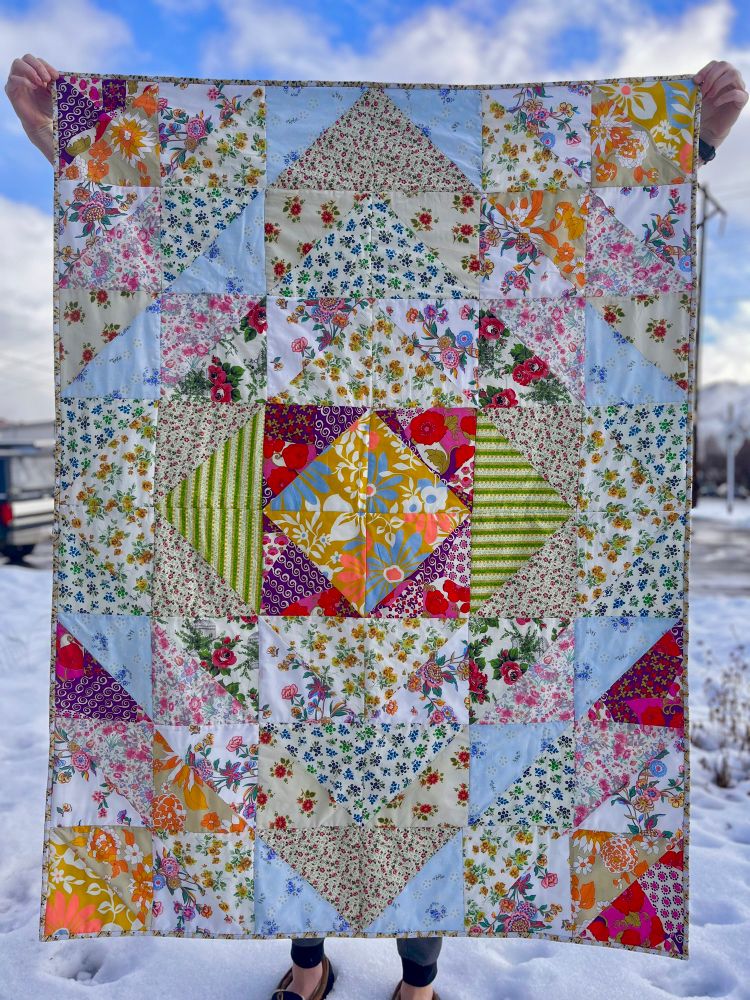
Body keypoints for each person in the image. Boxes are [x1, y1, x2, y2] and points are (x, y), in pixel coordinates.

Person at [5, 52, 748, 1000]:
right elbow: (162, 226)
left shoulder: (460, 288)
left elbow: (586, 243)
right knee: (296, 781)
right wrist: (67, 144)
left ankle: (418, 981)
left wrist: (686, 148)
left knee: (435, 804)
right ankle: (308, 965)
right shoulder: (283, 294)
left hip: (435, 624)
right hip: (301, 617)